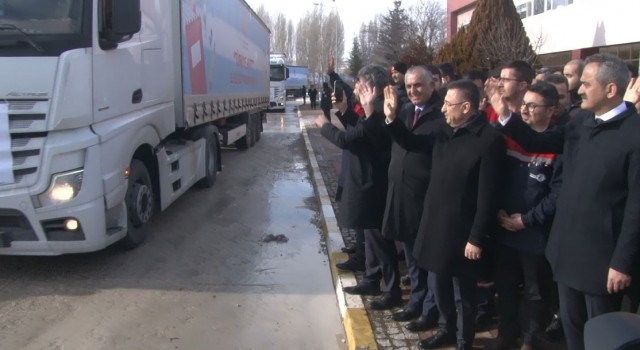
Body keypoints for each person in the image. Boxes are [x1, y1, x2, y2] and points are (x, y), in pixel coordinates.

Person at [494, 53, 640, 350]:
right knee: (572, 332)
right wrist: (506, 114)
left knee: (603, 337)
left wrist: (622, 262)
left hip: (604, 263)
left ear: (611, 90)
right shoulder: (581, 122)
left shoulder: (634, 135)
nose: (579, 90)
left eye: (586, 84)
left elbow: (637, 208)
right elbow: (537, 141)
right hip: (566, 253)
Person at [384, 79, 506, 350]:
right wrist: (391, 118)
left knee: (464, 293)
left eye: (448, 105)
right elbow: (412, 143)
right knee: (438, 284)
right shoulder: (443, 131)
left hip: (464, 231)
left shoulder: (488, 140)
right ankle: (445, 329)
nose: (443, 110)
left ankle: (464, 340)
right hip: (435, 223)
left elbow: (488, 196)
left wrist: (476, 238)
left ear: (466, 107)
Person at [317, 64, 402, 311]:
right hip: (365, 182)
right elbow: (359, 127)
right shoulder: (371, 113)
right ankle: (372, 279)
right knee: (370, 239)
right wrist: (344, 111)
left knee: (380, 242)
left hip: (373, 185)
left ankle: (391, 289)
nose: (355, 89)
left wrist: (325, 125)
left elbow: (349, 139)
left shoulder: (381, 113)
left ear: (371, 89)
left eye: (359, 85)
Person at [490, 82, 563, 350]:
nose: (526, 110)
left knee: (535, 292)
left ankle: (531, 339)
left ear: (552, 110)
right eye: (524, 105)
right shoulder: (509, 137)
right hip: (503, 227)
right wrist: (497, 210)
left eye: (533, 106)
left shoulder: (558, 144)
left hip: (535, 234)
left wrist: (526, 219)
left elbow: (557, 195)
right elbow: (494, 178)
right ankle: (506, 335)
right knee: (505, 287)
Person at [381, 65, 442, 330]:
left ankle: (430, 310)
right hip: (402, 194)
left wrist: (392, 120)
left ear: (432, 85)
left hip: (426, 197)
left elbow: (414, 143)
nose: (413, 91)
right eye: (408, 87)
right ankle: (416, 302)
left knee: (426, 258)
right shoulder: (405, 110)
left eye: (418, 85)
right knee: (411, 256)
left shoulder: (441, 115)